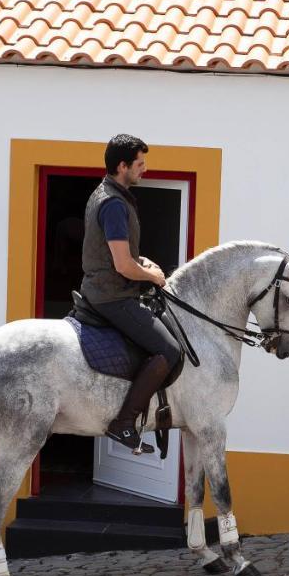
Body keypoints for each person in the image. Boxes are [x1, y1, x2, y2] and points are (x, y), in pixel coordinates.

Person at [80, 134, 184, 453]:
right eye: (140, 164)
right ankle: (124, 423)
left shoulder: (109, 194)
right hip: (112, 296)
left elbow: (118, 255)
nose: (145, 169)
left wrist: (143, 262)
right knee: (169, 351)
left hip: (105, 288)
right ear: (122, 166)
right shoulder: (113, 204)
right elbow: (122, 266)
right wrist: (152, 275)